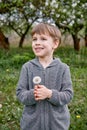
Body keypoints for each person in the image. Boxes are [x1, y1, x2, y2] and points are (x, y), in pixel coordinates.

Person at [16, 23, 73, 130]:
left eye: (43, 39)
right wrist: (34, 94)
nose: (37, 43)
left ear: (55, 44)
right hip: (32, 125)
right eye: (34, 39)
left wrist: (50, 94)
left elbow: (68, 95)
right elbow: (20, 93)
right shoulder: (27, 68)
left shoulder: (63, 69)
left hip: (57, 125)